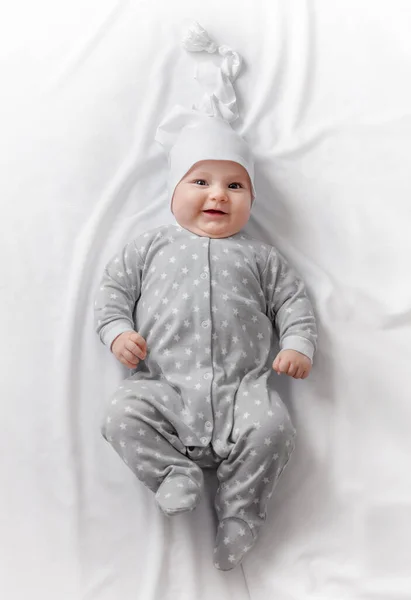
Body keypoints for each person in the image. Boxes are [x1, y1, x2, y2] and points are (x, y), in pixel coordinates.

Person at [94, 22, 317, 571]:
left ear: (250, 199)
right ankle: (172, 472)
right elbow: (112, 295)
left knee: (275, 432)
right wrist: (118, 332)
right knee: (119, 415)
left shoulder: (261, 258)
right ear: (174, 191)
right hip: (164, 388)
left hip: (245, 392)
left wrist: (298, 344)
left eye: (234, 186)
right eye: (201, 182)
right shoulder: (148, 247)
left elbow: (294, 302)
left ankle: (242, 513)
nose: (218, 194)